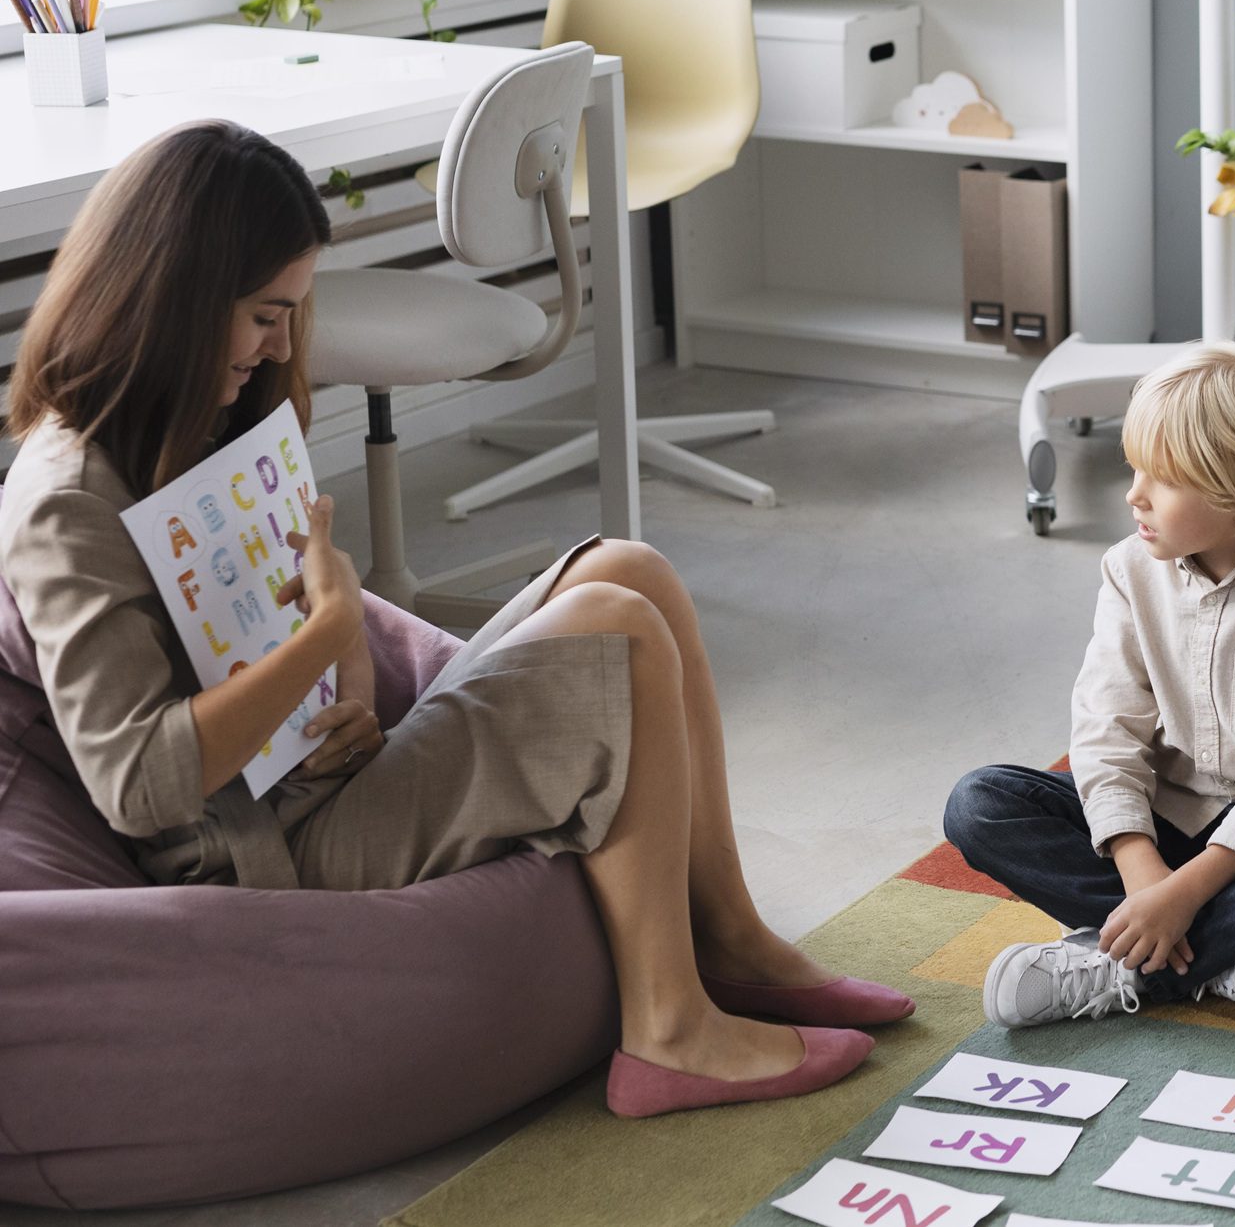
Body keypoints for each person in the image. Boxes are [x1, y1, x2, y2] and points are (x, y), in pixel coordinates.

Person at [0, 121, 911, 1120]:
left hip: (315, 781)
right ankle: (669, 1029)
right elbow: (137, 786)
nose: (282, 347)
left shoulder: (200, 422)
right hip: (263, 846)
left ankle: (730, 939)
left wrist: (341, 680)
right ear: (172, 301)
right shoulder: (65, 501)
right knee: (613, 621)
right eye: (265, 315)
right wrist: (321, 636)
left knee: (629, 567)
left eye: (293, 314)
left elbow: (305, 634)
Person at [944, 341, 1235, 1029]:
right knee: (978, 804)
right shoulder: (1126, 571)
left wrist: (1188, 894)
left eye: (1159, 478)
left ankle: (1132, 971)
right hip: (1157, 829)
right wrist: (1147, 881)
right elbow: (1107, 732)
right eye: (1135, 467)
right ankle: (1234, 958)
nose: (1132, 493)